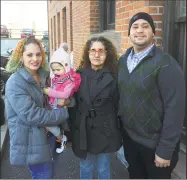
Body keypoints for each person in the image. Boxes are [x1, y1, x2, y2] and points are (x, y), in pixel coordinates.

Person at [117, 12, 186, 179]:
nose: (140, 30)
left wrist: (165, 150)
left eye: (145, 26)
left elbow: (175, 110)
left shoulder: (166, 64)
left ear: (153, 32)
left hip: (155, 146)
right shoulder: (123, 61)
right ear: (129, 33)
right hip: (131, 140)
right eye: (135, 26)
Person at [5, 37, 69, 179]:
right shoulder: (15, 83)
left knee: (50, 174)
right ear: (21, 57)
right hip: (32, 141)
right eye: (29, 55)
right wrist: (64, 113)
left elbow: (61, 95)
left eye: (38, 54)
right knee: (42, 175)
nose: (35, 59)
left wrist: (68, 100)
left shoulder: (46, 76)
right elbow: (33, 115)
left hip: (51, 136)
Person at [69, 36, 122, 179]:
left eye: (101, 51)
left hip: (105, 131)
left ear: (107, 54)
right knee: (85, 166)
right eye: (93, 51)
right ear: (87, 53)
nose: (96, 55)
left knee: (103, 167)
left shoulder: (115, 76)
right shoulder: (78, 75)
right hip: (83, 130)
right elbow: (73, 106)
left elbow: (119, 106)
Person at [43, 46, 81, 154]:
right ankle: (61, 138)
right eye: (53, 70)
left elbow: (66, 94)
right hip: (53, 107)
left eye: (58, 69)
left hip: (59, 109)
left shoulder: (69, 79)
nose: (56, 72)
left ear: (66, 66)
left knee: (48, 123)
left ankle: (61, 137)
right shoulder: (54, 78)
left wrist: (48, 91)